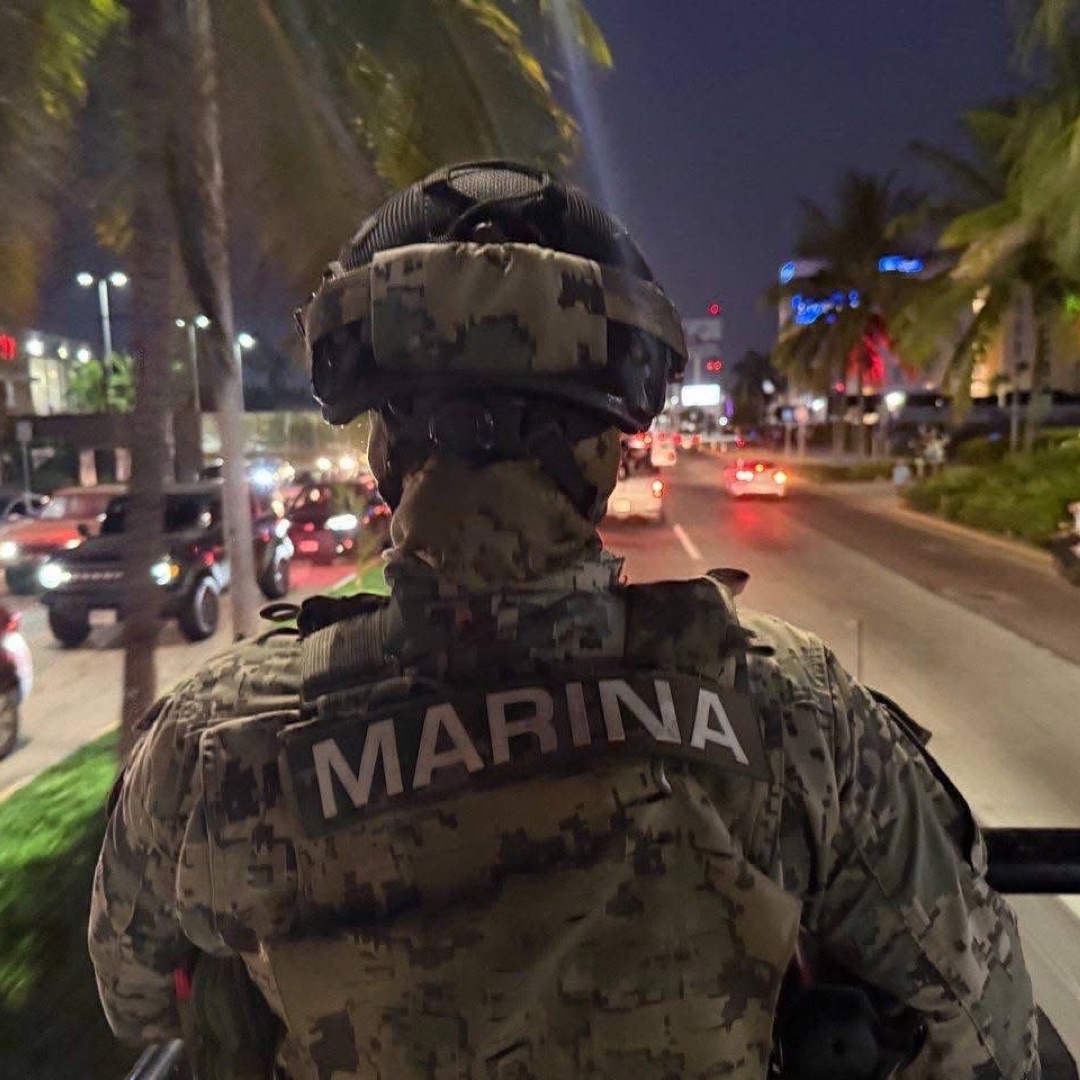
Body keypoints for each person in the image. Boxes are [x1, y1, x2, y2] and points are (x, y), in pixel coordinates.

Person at [89, 162, 1038, 1079]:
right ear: (606, 454)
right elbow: (984, 1027)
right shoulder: (793, 711)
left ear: (384, 450)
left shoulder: (216, 741)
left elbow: (137, 1002)